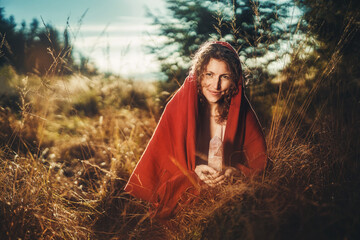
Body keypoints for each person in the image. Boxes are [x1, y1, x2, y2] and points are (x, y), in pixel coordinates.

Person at [124, 41, 267, 219]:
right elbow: (164, 170)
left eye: (224, 77)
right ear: (198, 74)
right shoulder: (178, 107)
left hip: (230, 200)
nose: (215, 85)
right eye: (209, 74)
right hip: (186, 204)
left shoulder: (241, 111)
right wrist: (193, 174)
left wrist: (236, 172)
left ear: (234, 79)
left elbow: (259, 164)